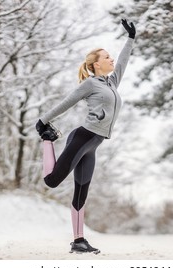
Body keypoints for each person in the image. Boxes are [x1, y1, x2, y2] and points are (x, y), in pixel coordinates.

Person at [35, 19, 136, 254]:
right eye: (107, 57)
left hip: (94, 144)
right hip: (82, 137)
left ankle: (79, 241)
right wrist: (43, 122)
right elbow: (67, 102)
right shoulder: (90, 83)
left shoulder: (111, 83)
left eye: (111, 56)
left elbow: (122, 63)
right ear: (97, 65)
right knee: (52, 181)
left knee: (81, 192)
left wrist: (130, 39)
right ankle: (48, 140)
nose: (111, 59)